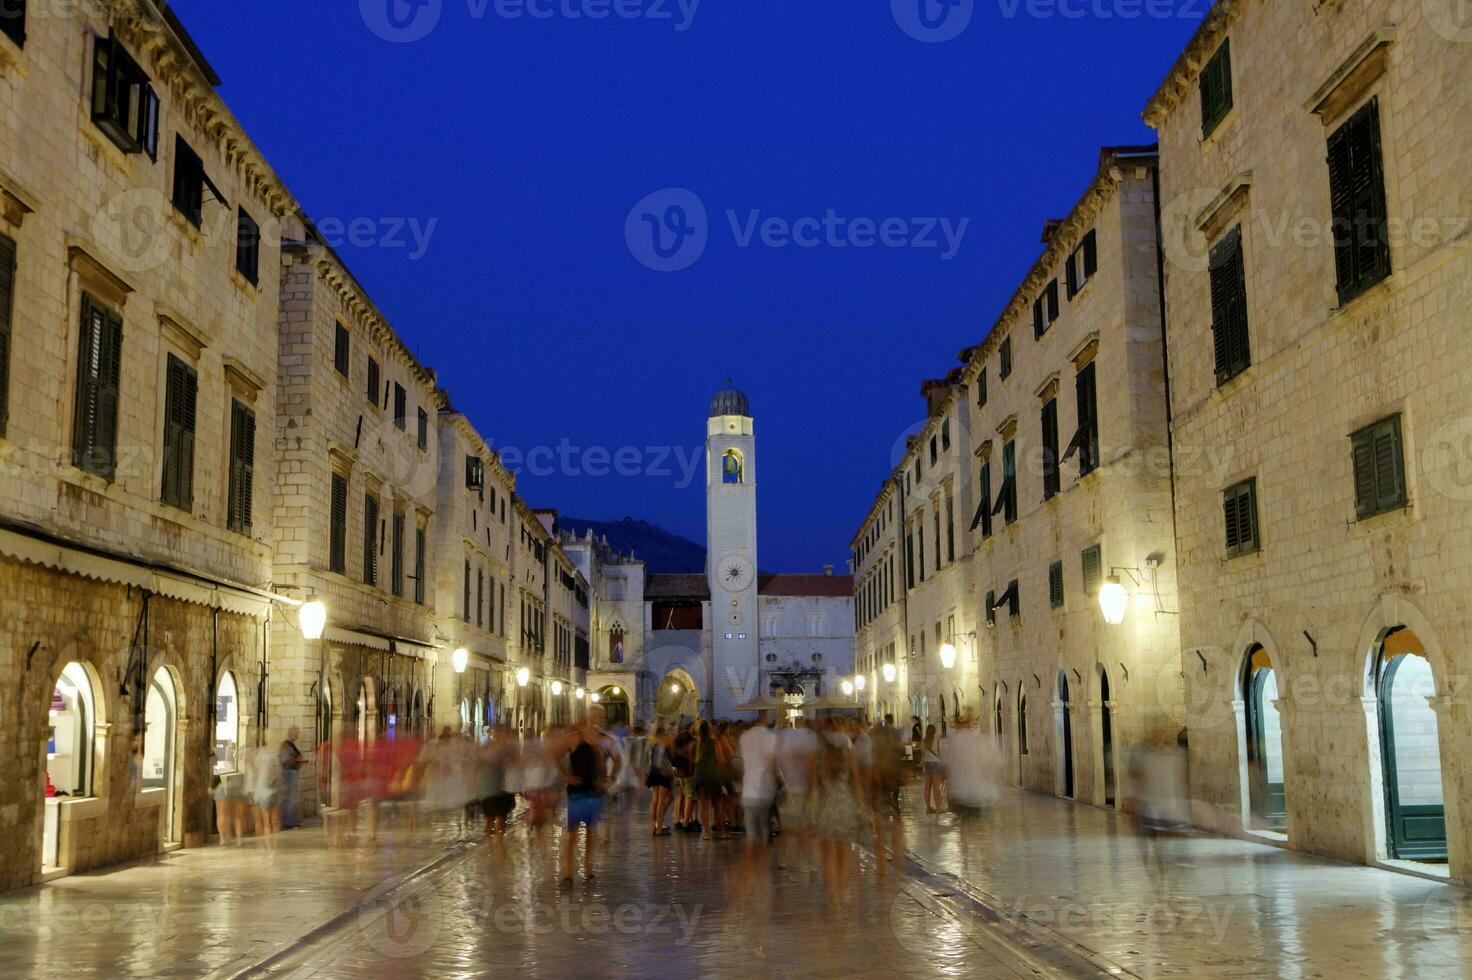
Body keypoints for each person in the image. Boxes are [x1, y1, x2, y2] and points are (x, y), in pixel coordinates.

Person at [552, 706, 620, 888]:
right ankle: (567, 873)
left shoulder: (606, 741)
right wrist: (564, 776)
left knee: (591, 832)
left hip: (596, 793)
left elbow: (618, 760)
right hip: (577, 793)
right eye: (594, 715)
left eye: (601, 715)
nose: (598, 718)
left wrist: (611, 778)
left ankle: (588, 868)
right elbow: (553, 756)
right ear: (588, 717)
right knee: (572, 833)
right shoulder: (573, 737)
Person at [775, 716, 818, 870]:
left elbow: (776, 765)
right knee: (804, 827)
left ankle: (783, 860)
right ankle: (805, 860)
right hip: (801, 789)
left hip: (786, 789)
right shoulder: (806, 741)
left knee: (786, 828)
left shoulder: (784, 740)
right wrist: (813, 789)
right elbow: (811, 768)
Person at [869, 714, 906, 878]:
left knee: (879, 827)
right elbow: (902, 755)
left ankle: (882, 866)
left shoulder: (874, 747)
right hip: (892, 782)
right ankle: (897, 860)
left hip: (879, 787)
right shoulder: (895, 742)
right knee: (896, 822)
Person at [646, 723, 675, 836]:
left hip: (653, 771)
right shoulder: (667, 738)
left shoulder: (651, 739)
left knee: (654, 801)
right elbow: (672, 755)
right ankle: (659, 829)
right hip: (663, 772)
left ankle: (654, 826)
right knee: (661, 802)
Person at [279, 729, 305, 829]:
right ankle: (288, 822)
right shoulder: (287, 745)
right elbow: (285, 760)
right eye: (297, 733)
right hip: (290, 773)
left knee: (291, 798)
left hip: (291, 772)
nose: (298, 735)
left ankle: (291, 820)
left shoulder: (290, 745)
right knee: (290, 798)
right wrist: (297, 760)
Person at [920, 723, 945, 813]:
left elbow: (923, 756)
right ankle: (938, 808)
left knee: (927, 787)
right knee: (936, 787)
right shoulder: (937, 741)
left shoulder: (923, 741)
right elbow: (941, 754)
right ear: (934, 732)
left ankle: (928, 808)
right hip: (936, 764)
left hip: (927, 765)